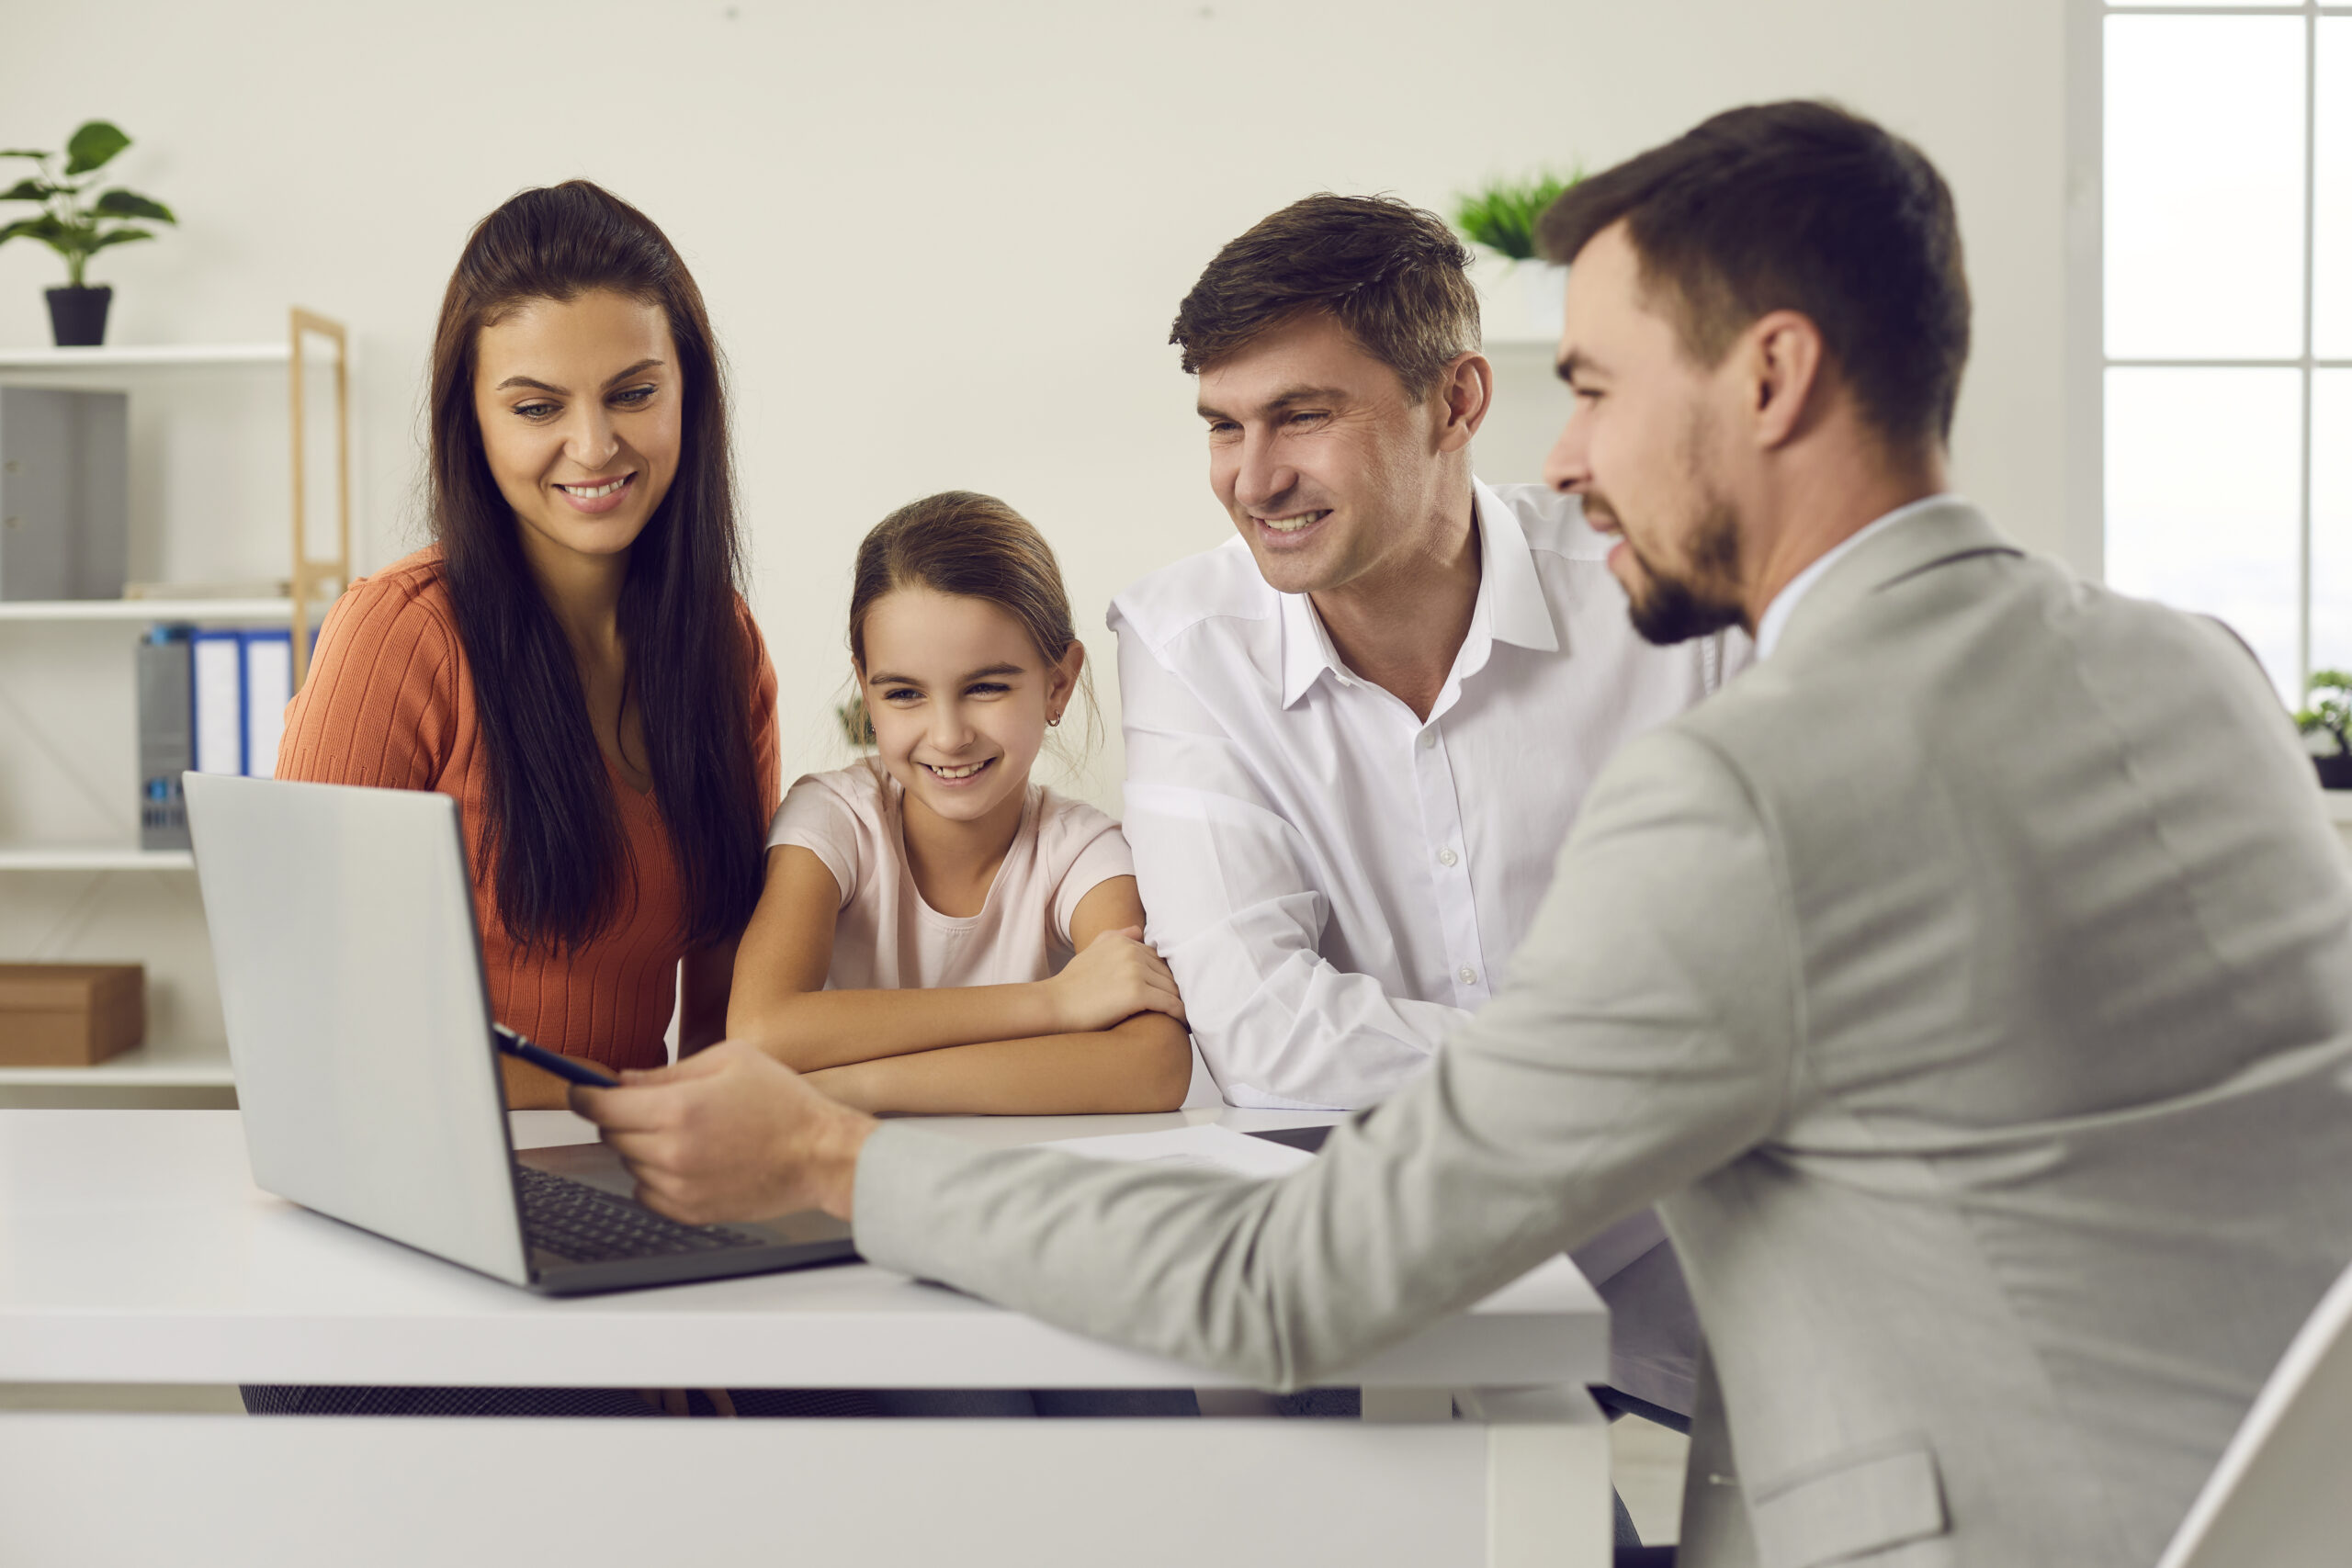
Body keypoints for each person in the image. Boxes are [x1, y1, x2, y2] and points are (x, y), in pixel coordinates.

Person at [575, 100, 2352, 1563]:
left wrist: (825, 1161)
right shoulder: (2199, 671)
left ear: (1773, 378)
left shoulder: (1747, 784)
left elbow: (1286, 1285)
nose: (1572, 463)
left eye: (1596, 385)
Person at [1119, 191, 1732, 1418]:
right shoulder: (1184, 639)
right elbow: (1263, 1033)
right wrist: (1629, 1076)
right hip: (1372, 1260)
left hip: (1690, 1250)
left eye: (1303, 415)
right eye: (1223, 425)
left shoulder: (1662, 596)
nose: (1253, 479)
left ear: (1455, 402)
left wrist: (1674, 1074)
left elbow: (1765, 983)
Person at [252, 180, 777, 1419]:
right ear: (473, 422)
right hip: (389, 1223)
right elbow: (306, 1034)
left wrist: (692, 1259)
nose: (593, 448)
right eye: (537, 406)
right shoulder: (403, 632)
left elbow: (721, 1016)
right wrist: (622, 1120)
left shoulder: (723, 646)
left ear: (689, 395)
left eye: (633, 393)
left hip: (611, 1189)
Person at [726, 491, 1193, 1114]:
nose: (947, 735)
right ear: (865, 690)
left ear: (1058, 684)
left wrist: (846, 1086)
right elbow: (760, 1031)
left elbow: (1155, 1067)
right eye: (904, 693)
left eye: (986, 686)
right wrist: (1052, 1002)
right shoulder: (832, 818)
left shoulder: (1083, 852)